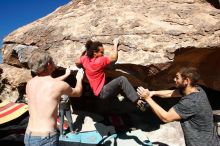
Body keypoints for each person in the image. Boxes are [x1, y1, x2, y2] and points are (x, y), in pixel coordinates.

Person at [137, 67, 219, 146]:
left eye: (177, 78)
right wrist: (153, 93)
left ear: (186, 81)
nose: (174, 79)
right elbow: (172, 93)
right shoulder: (197, 89)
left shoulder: (191, 102)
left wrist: (147, 98)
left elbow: (166, 117)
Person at [24, 51, 84, 146]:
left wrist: (66, 75)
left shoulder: (30, 83)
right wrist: (79, 78)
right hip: (45, 138)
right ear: (48, 64)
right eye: (52, 60)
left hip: (29, 135)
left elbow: (47, 83)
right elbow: (78, 92)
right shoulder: (58, 85)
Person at [75, 38, 148, 111]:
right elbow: (114, 58)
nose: (103, 54)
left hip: (99, 91)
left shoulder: (85, 59)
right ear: (95, 53)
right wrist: (115, 44)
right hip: (102, 92)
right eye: (101, 52)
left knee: (113, 80)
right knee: (122, 79)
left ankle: (119, 96)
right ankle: (138, 102)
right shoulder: (99, 61)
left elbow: (76, 61)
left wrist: (84, 51)